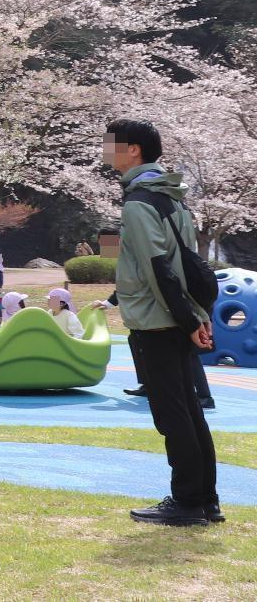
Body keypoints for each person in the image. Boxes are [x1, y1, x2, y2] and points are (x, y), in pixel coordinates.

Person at [105, 119, 220, 526]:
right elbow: (185, 264)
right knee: (189, 409)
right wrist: (195, 317)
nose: (105, 150)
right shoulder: (172, 196)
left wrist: (188, 319)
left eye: (110, 143)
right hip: (178, 316)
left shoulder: (139, 201)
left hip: (157, 321)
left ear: (132, 150)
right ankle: (206, 499)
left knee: (172, 414)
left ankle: (187, 502)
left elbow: (157, 268)